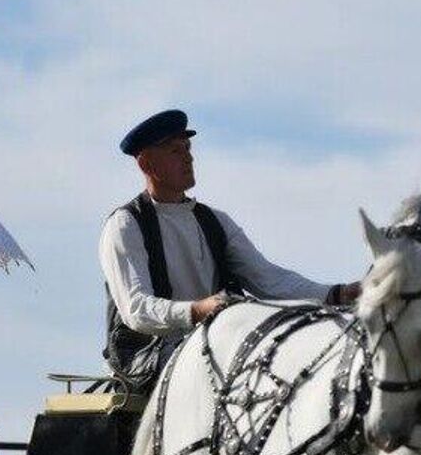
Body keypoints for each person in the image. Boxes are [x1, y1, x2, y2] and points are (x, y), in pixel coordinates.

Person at [99, 108, 360, 392]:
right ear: (146, 163)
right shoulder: (125, 224)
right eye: (175, 151)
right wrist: (196, 311)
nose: (188, 157)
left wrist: (336, 294)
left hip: (212, 347)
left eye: (188, 148)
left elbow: (268, 280)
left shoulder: (216, 221)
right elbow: (137, 309)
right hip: (147, 363)